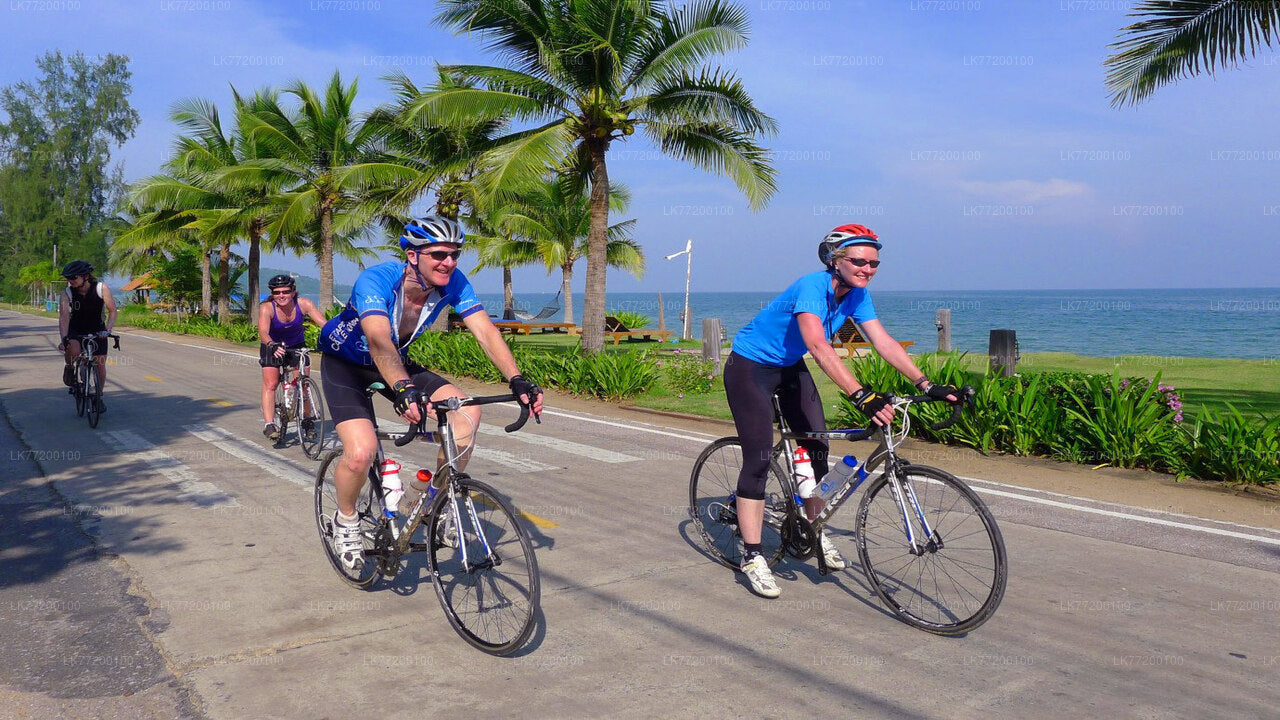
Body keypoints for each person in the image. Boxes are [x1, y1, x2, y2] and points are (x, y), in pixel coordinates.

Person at [723, 224, 960, 598]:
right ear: (834, 260)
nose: (867, 269)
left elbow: (882, 341)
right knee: (758, 457)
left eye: (874, 263)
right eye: (859, 261)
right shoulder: (811, 287)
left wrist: (926, 384)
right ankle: (752, 555)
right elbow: (818, 345)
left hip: (788, 366)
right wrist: (861, 394)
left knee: (817, 448)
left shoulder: (857, 296)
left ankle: (811, 528)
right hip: (750, 367)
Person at [317, 215, 544, 571]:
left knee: (467, 414)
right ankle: (345, 522)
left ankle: (433, 504)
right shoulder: (377, 280)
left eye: (455, 254)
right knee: (361, 452)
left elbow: (485, 332)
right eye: (438, 254)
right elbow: (378, 340)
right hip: (346, 364)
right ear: (412, 256)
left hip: (396, 364)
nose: (449, 262)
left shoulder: (454, 282)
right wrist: (403, 389)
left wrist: (517, 380)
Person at [258, 274, 327, 440]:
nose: (281, 295)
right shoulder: (267, 308)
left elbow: (324, 324)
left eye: (285, 292)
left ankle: (307, 420)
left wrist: (335, 338)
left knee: (303, 384)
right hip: (272, 346)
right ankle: (269, 424)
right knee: (271, 384)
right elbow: (263, 332)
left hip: (296, 346)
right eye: (277, 292)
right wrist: (271, 344)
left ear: (293, 292)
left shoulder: (304, 304)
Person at [57, 261, 117, 413]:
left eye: (73, 277)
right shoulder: (67, 293)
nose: (70, 281)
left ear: (86, 276)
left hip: (98, 330)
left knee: (100, 363)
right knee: (74, 351)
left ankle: (98, 396)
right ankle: (70, 367)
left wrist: (108, 330)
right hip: (76, 329)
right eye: (67, 278)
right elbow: (64, 317)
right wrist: (64, 339)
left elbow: (112, 311)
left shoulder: (101, 288)